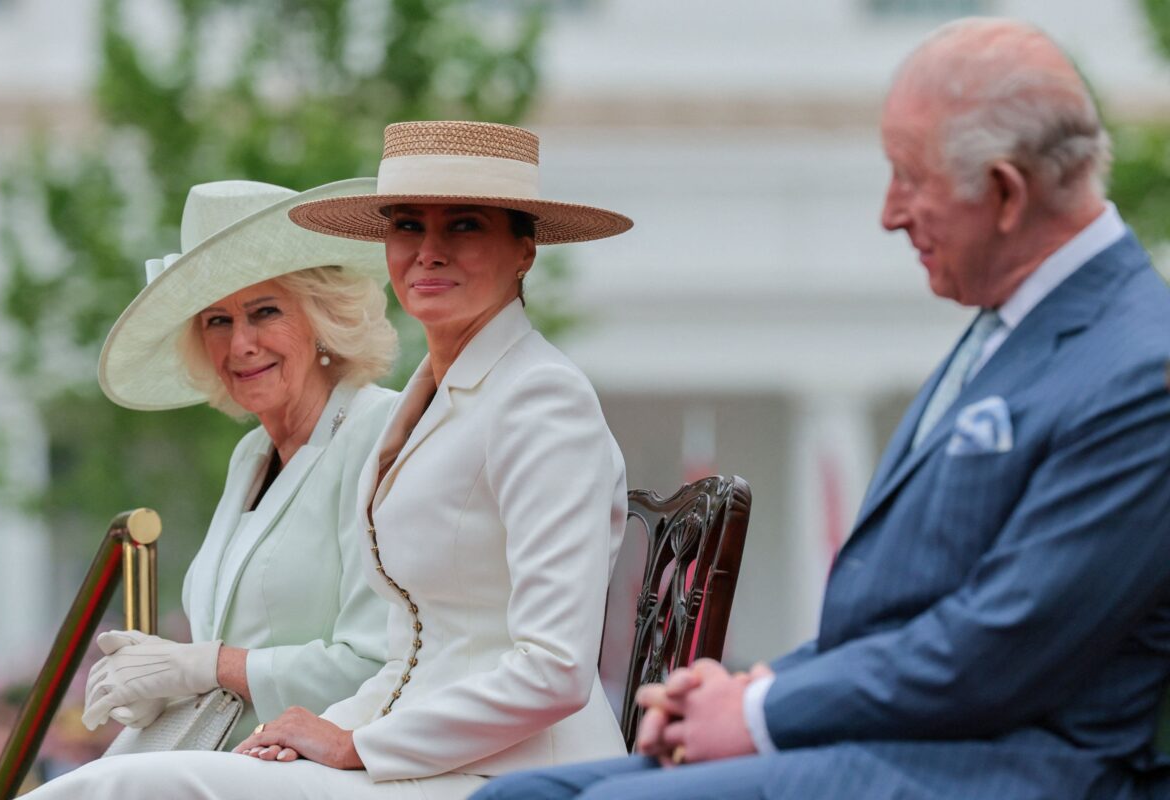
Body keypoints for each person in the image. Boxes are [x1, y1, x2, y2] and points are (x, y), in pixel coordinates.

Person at [472, 17, 1170, 800]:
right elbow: (898, 618)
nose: (889, 212)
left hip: (1011, 769)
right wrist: (746, 690)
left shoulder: (1142, 370)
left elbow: (1006, 642)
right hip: (897, 742)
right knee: (518, 796)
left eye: (910, 177)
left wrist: (762, 709)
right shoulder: (1006, 328)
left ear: (1006, 192)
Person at [27, 120, 634, 800]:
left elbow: (555, 669)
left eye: (463, 226)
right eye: (407, 226)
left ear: (524, 249)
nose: (428, 252)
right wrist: (304, 733)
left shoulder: (542, 397)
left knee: (119, 791)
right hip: (415, 761)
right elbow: (411, 655)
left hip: (515, 775)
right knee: (107, 784)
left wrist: (353, 743)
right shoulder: (433, 400)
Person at [77, 179, 399, 745]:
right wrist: (163, 681)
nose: (240, 344)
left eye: (264, 311)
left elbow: (379, 665)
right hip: (225, 753)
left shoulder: (383, 435)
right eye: (217, 320)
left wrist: (205, 665)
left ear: (324, 318)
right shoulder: (251, 455)